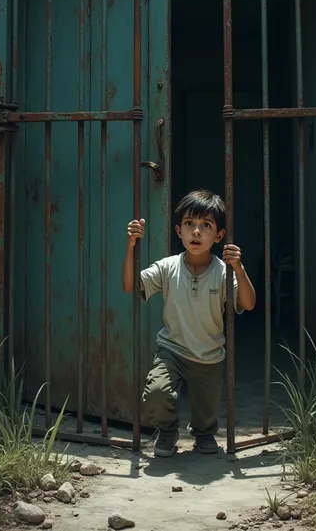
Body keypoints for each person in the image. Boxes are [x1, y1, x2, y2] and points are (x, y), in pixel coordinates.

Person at [122, 188, 256, 457]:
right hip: (172, 349)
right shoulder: (168, 267)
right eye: (189, 224)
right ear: (178, 231)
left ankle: (204, 433)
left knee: (206, 411)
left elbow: (249, 303)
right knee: (157, 392)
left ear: (218, 236)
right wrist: (131, 246)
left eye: (205, 226)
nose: (196, 232)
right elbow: (130, 286)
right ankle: (168, 429)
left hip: (209, 354)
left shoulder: (222, 271)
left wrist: (239, 268)